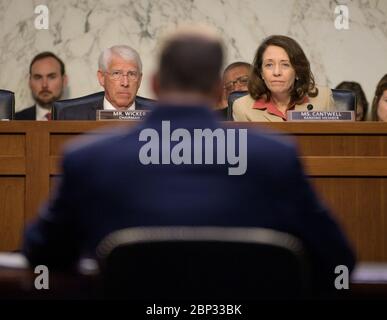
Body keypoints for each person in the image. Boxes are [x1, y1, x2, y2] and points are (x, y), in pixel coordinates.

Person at [23, 26, 355, 293]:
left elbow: (41, 255)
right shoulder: (276, 158)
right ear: (217, 91)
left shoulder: (88, 158)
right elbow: (337, 259)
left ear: (152, 83)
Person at [233, 35, 334, 122]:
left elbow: (334, 142)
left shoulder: (323, 99)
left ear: (298, 71)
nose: (277, 72)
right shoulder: (242, 108)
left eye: (285, 65)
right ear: (261, 72)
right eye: (269, 65)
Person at [57, 45, 150, 120]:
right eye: (116, 73)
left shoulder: (160, 117)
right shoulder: (71, 117)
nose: (125, 83)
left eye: (132, 74)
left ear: (140, 80)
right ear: (101, 78)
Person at [15, 52, 68, 120]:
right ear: (29, 82)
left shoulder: (81, 120)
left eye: (51, 77)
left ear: (64, 80)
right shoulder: (12, 123)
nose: (44, 85)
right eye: (38, 77)